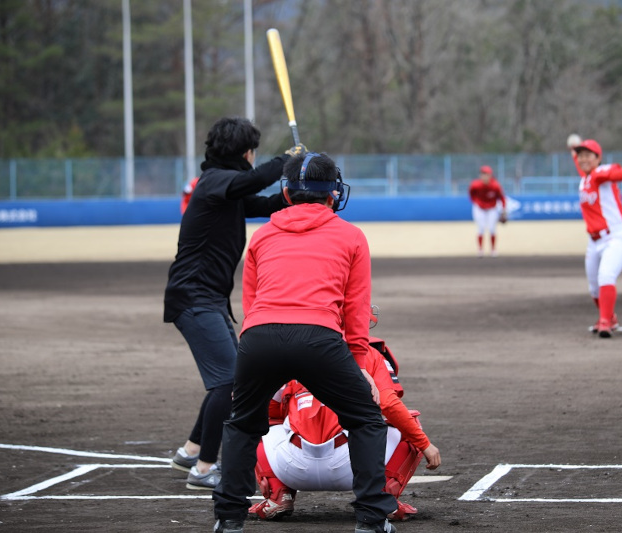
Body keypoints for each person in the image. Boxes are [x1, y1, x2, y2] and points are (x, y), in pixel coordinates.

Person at [212, 152, 399, 533]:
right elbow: (355, 310)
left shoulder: (262, 236)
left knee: (242, 425)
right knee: (365, 420)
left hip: (260, 336)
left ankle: (228, 519)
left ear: (285, 192)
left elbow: (250, 303)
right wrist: (359, 364)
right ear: (333, 194)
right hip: (319, 337)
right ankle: (371, 519)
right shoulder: (351, 235)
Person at [164, 116, 306, 491]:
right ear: (245, 152)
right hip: (195, 298)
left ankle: (190, 453)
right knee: (228, 383)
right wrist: (286, 161)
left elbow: (263, 202)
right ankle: (204, 470)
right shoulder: (215, 183)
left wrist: (299, 195)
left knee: (230, 380)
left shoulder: (223, 190)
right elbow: (254, 181)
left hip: (204, 298)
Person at [247, 314, 441, 523]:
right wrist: (425, 444)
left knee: (257, 422)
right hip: (353, 465)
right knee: (408, 421)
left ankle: (277, 495)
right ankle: (384, 500)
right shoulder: (369, 353)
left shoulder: (288, 351)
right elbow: (389, 405)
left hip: (292, 467)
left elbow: (267, 410)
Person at [567, 136, 622, 338]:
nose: (583, 159)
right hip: (594, 242)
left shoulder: (600, 173)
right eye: (580, 155)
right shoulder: (585, 176)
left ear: (598, 158)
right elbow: (579, 164)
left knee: (606, 276)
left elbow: (617, 174)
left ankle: (605, 322)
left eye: (588, 155)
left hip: (615, 238)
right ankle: (611, 317)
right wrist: (573, 150)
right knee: (594, 288)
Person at [468, 165, 507, 257]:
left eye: (486, 174)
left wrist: (504, 209)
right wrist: (476, 202)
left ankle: (493, 250)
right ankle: (480, 250)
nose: (484, 176)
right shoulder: (475, 185)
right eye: (483, 174)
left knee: (492, 229)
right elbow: (471, 195)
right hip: (480, 208)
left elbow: (502, 198)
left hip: (492, 208)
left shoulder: (495, 185)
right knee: (480, 228)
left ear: (490, 175)